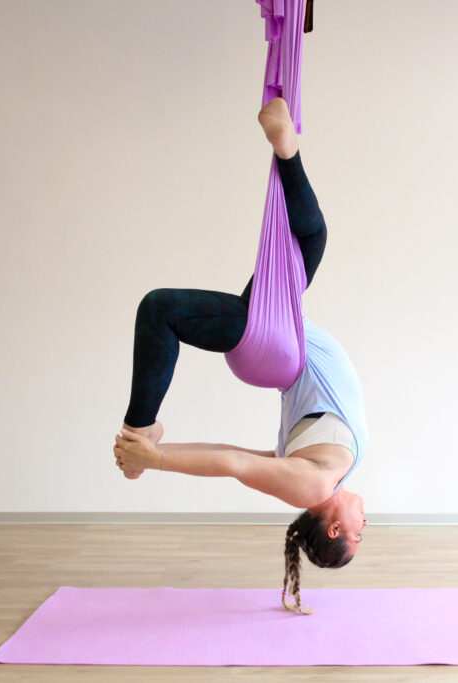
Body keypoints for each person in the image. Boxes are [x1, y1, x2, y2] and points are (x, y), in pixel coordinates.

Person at [113, 97, 367, 615]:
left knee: (160, 310)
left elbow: (230, 464)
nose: (368, 524)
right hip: (283, 338)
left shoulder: (313, 485)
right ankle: (285, 145)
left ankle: (139, 430)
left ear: (336, 527)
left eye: (359, 535)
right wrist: (168, 450)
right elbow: (235, 451)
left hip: (279, 350)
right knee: (310, 238)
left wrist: (154, 459)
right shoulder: (316, 474)